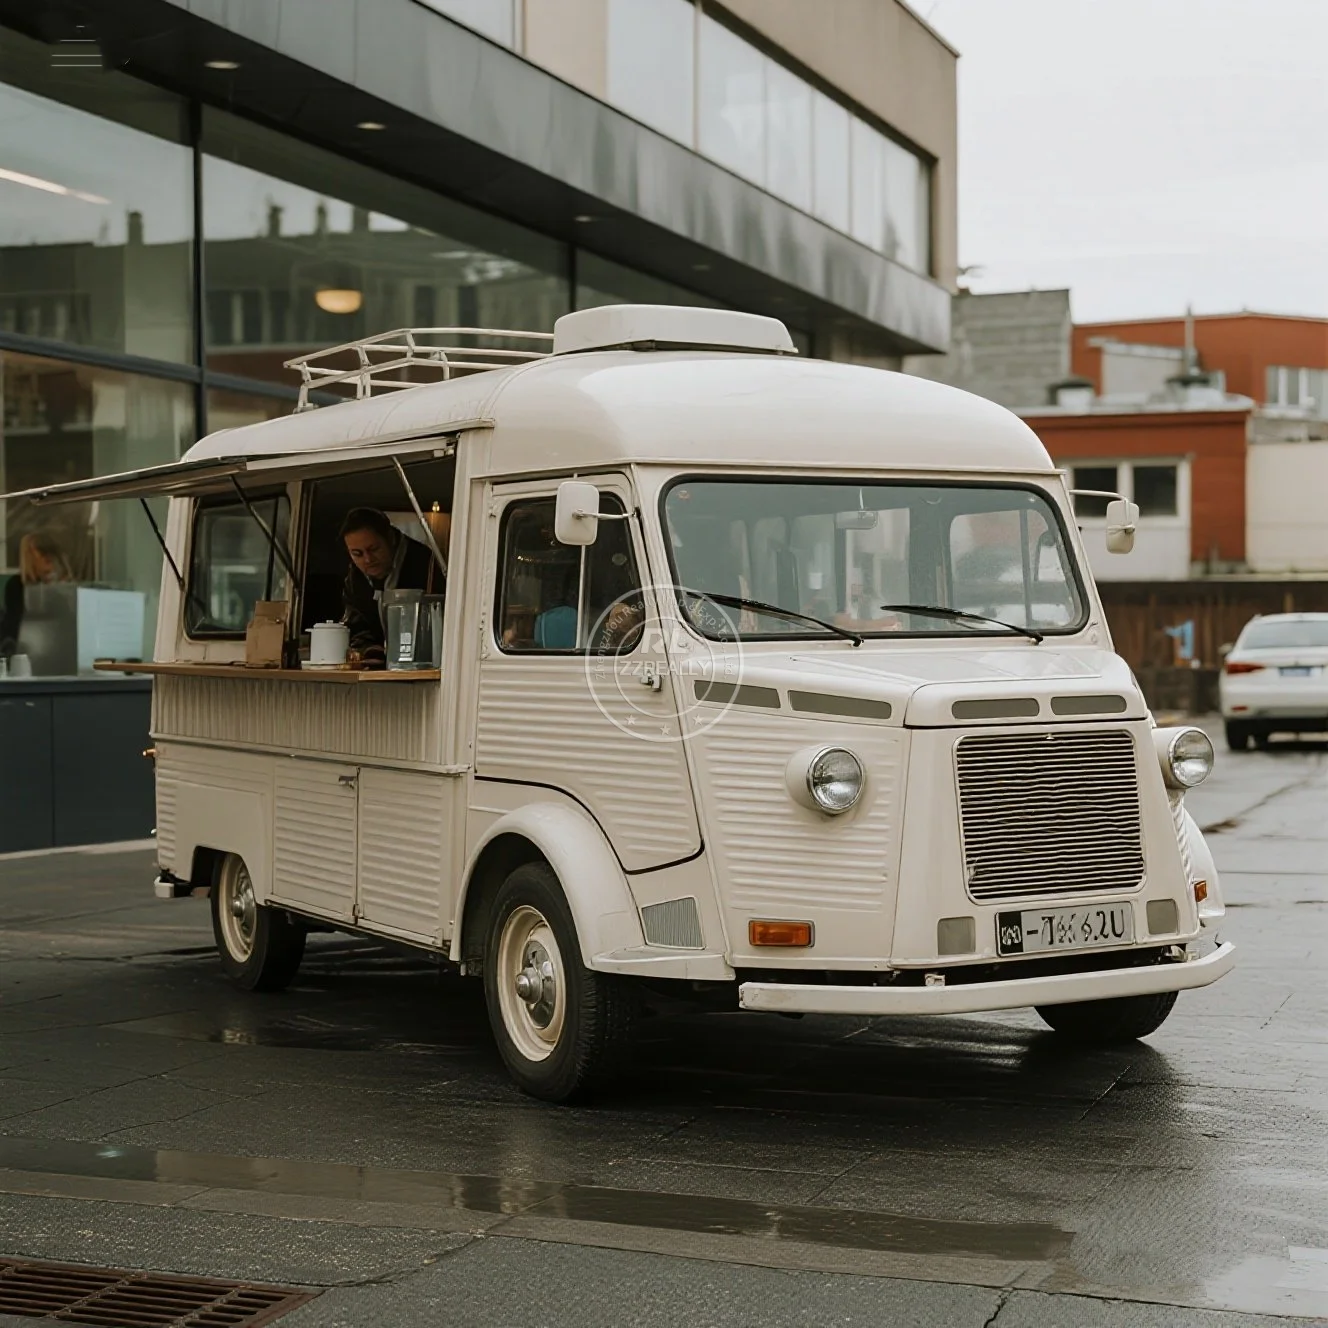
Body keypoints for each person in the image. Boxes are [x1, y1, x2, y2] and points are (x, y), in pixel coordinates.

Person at [339, 508, 443, 665]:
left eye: (374, 549)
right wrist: (368, 649)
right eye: (357, 554)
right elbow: (356, 623)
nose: (367, 560)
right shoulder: (355, 576)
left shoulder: (426, 565)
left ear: (391, 538)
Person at [2, 530, 73, 655]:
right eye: (43, 555)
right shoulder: (17, 586)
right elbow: (16, 627)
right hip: (26, 652)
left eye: (50, 555)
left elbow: (67, 625)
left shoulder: (59, 590)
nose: (49, 560)